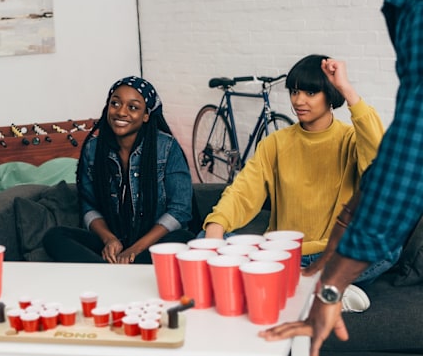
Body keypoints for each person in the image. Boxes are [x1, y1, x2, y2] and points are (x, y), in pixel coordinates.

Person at [258, 0, 423, 356]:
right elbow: (401, 155)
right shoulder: (407, 3)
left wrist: (327, 287)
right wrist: (329, 281)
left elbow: (405, 160)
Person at [203, 54, 397, 301]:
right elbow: (242, 190)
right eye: (294, 92)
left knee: (390, 245)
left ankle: (290, 282)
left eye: (310, 93)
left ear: (330, 95)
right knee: (204, 238)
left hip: (334, 252)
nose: (299, 101)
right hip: (283, 253)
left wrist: (347, 89)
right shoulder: (276, 143)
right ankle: (322, 285)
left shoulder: (350, 140)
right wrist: (216, 225)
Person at [43, 75, 194, 264]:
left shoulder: (167, 147)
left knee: (183, 239)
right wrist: (109, 239)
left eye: (133, 107)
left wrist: (136, 249)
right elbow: (89, 206)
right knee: (55, 236)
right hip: (114, 244)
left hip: (151, 243)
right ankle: (116, 272)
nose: (121, 112)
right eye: (115, 103)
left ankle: (111, 272)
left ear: (146, 115)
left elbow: (180, 210)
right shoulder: (93, 149)